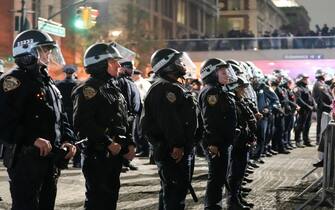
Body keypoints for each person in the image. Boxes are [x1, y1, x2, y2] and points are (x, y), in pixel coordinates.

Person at [0, 29, 77, 210]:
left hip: (49, 161)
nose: (48, 54)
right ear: (29, 51)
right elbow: (4, 122)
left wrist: (68, 139)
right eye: (44, 50)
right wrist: (31, 139)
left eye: (49, 50)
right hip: (25, 160)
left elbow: (61, 117)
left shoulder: (47, 82)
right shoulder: (13, 81)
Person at [72, 42, 136, 210]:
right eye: (114, 61)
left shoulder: (112, 88)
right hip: (97, 155)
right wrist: (108, 142)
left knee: (110, 200)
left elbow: (121, 120)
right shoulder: (89, 89)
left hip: (113, 155)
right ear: (102, 63)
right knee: (97, 201)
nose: (119, 65)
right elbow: (83, 123)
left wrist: (130, 143)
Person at [140, 48, 197, 210]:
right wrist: (177, 145)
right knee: (174, 195)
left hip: (175, 149)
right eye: (177, 62)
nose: (181, 65)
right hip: (171, 150)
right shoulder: (164, 89)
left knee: (172, 192)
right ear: (166, 66)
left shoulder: (172, 86)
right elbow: (169, 122)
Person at [198, 58, 238, 209]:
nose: (227, 74)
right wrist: (213, 143)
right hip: (217, 143)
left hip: (222, 141)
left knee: (220, 176)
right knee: (216, 178)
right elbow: (210, 120)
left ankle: (215, 205)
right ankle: (212, 206)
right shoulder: (211, 91)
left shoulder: (219, 90)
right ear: (212, 74)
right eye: (223, 72)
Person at [56, 64, 81, 168]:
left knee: (65, 137)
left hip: (63, 113)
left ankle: (64, 160)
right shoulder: (78, 84)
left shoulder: (59, 84)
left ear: (65, 73)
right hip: (75, 113)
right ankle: (77, 161)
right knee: (77, 136)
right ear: (74, 73)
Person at [294, 74, 316, 147]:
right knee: (300, 126)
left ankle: (306, 140)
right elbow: (298, 100)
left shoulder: (306, 88)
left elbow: (311, 97)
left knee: (307, 125)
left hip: (308, 110)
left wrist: (314, 105)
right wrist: (308, 106)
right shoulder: (297, 88)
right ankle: (298, 140)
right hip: (303, 110)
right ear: (300, 80)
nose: (306, 80)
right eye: (305, 79)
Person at [312, 69, 333, 143]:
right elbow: (326, 95)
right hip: (322, 107)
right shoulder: (319, 84)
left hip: (325, 106)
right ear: (321, 76)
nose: (325, 76)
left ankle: (321, 139)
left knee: (323, 123)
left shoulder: (322, 83)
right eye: (324, 75)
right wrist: (331, 101)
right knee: (321, 124)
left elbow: (329, 93)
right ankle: (319, 139)